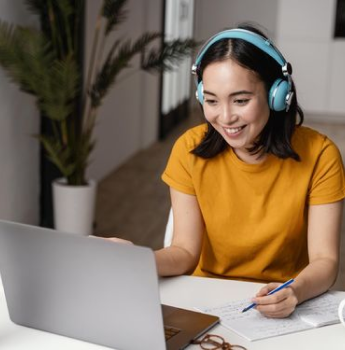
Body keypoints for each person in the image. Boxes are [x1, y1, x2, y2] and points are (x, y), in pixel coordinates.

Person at [153, 23, 345, 318]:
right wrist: (134, 260)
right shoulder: (188, 150)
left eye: (241, 100)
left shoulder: (321, 156)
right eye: (212, 100)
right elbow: (184, 252)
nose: (226, 117)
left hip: (284, 300)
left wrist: (294, 291)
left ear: (277, 94)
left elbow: (325, 260)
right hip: (205, 299)